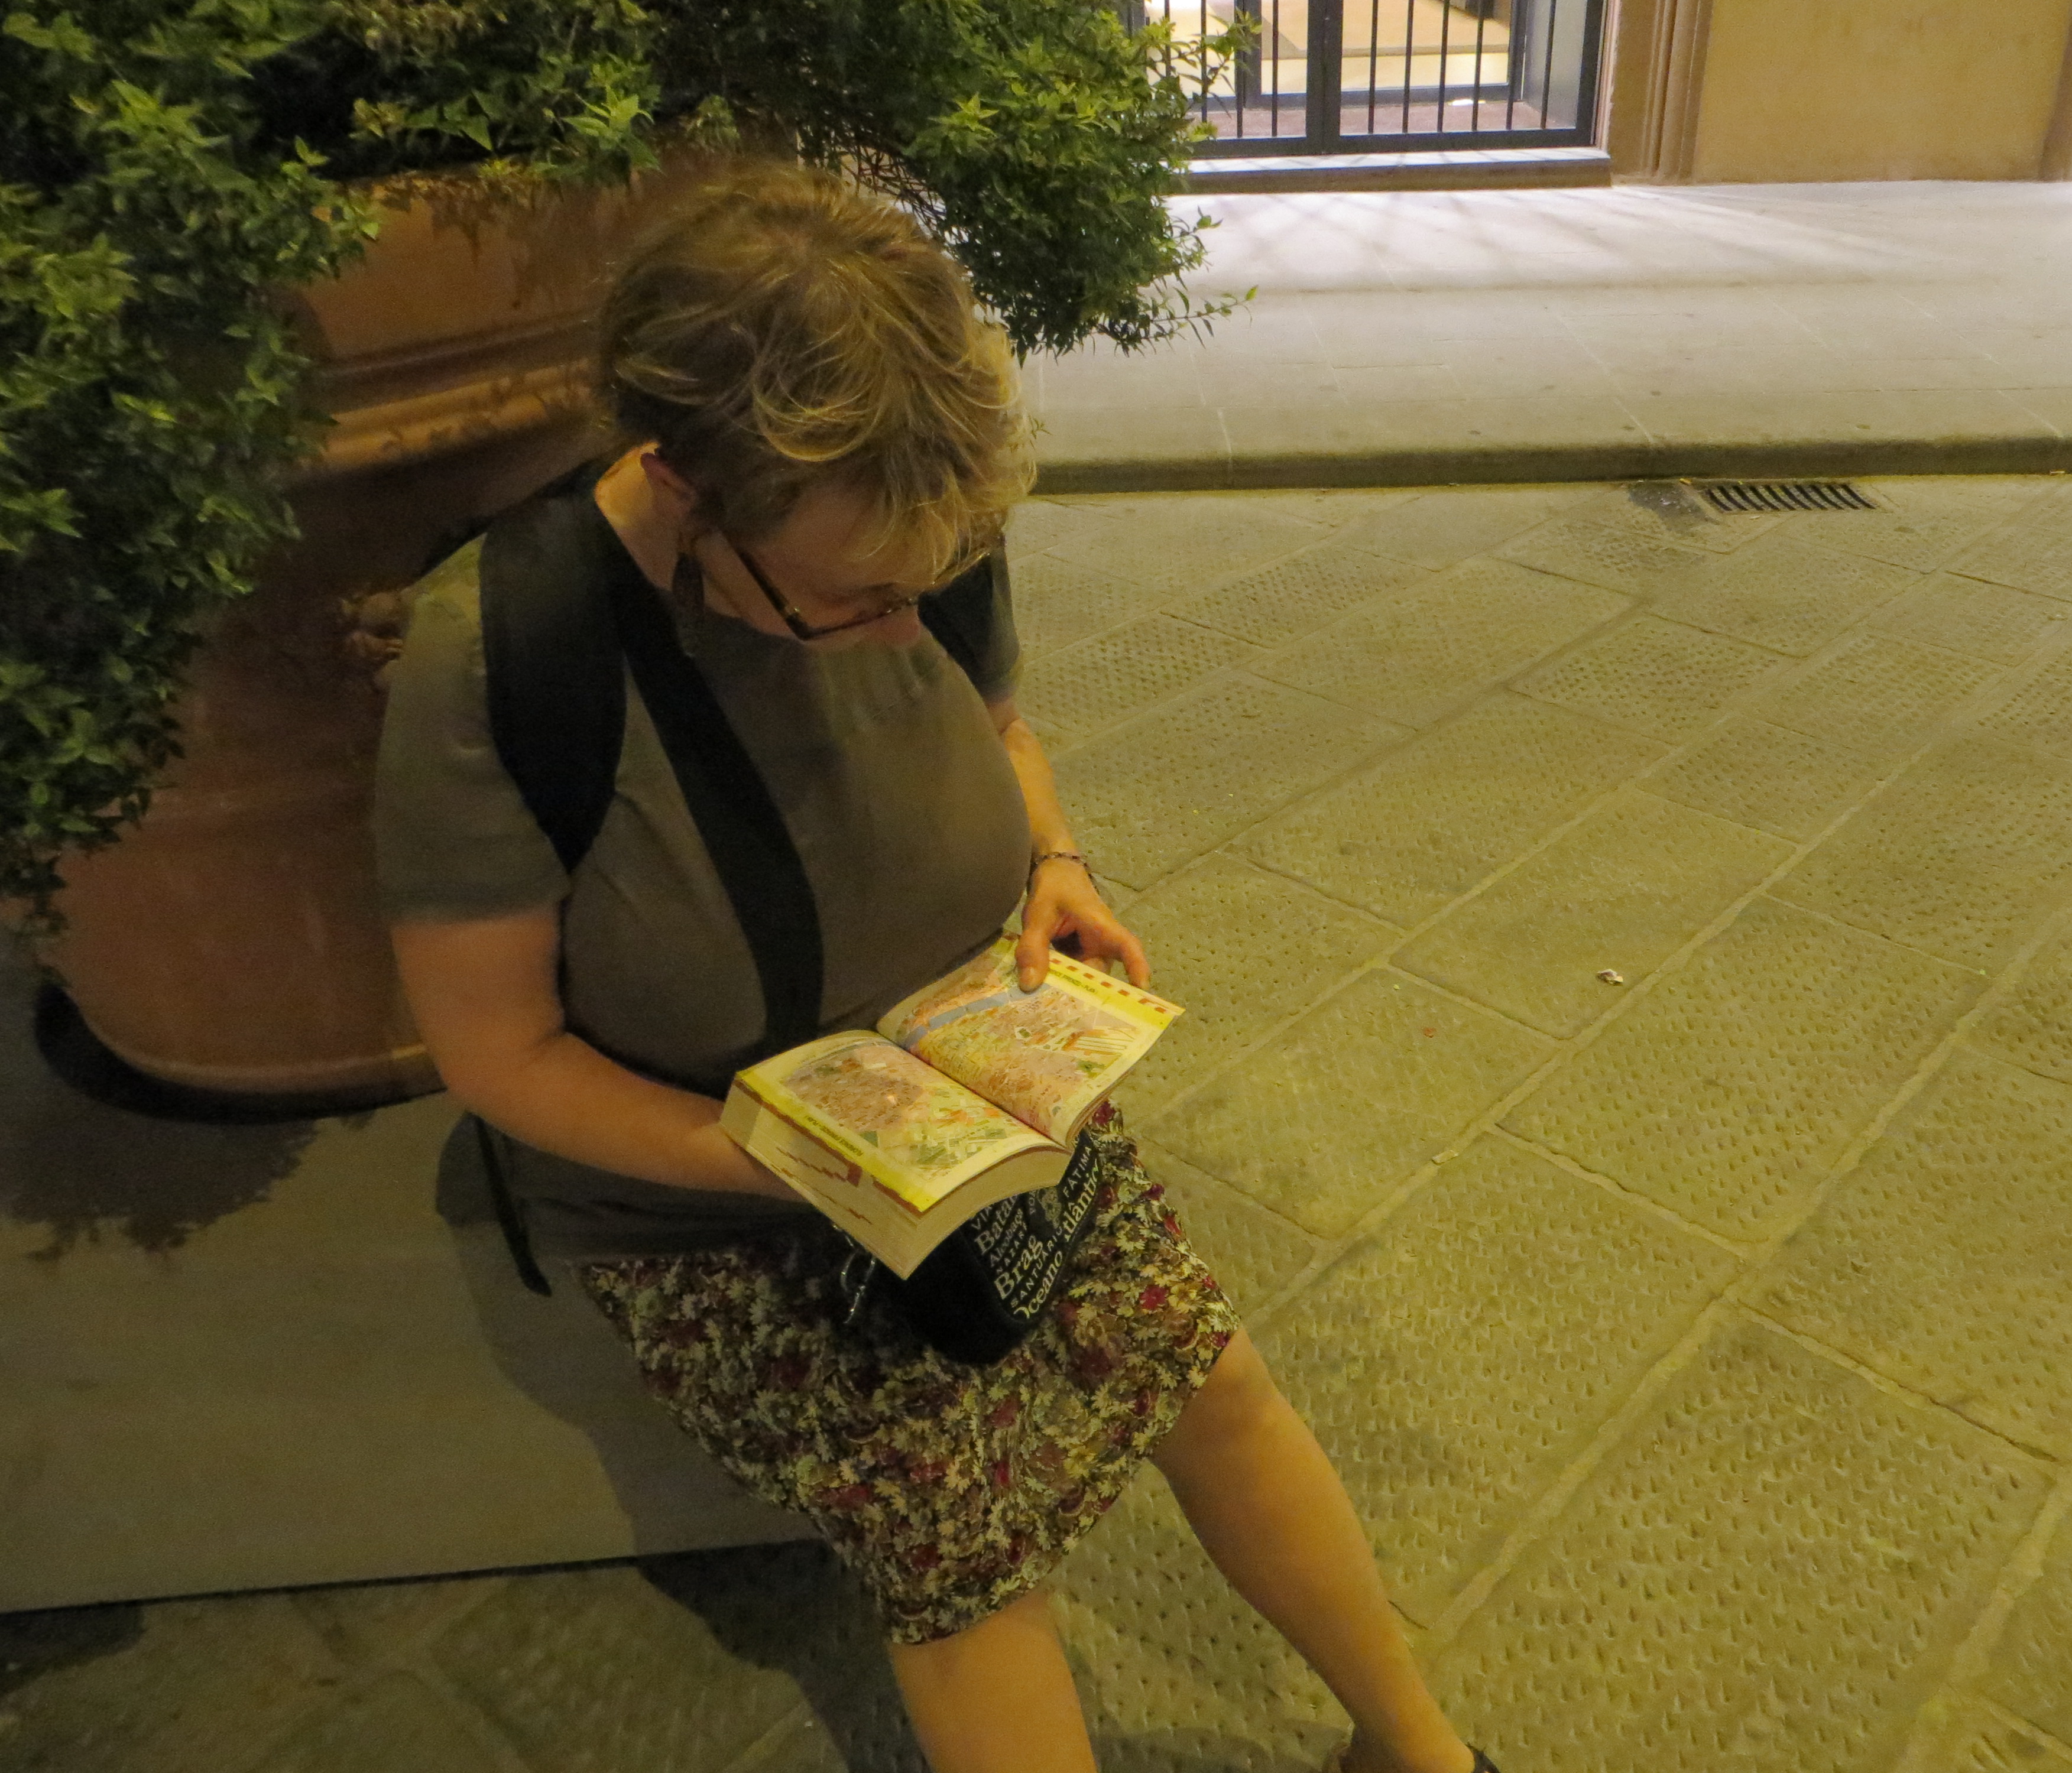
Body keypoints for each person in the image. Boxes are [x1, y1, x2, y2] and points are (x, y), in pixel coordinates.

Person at [375, 163, 1495, 1773]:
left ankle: (1421, 1749)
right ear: (686, 489)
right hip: (715, 1202)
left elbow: (998, 722)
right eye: (852, 603)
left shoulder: (912, 506)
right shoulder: (509, 648)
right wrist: (798, 1159)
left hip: (972, 1095)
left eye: (931, 583)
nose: (906, 633)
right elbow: (501, 1057)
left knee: (1212, 1378)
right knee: (964, 1555)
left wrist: (1057, 865)